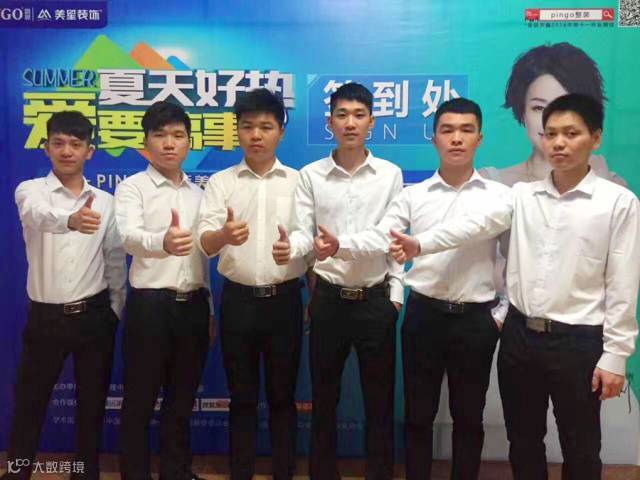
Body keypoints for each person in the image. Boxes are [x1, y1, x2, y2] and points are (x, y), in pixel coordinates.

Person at [392, 94, 640, 480]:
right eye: (551, 134)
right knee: (523, 442)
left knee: (581, 445)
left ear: (595, 138)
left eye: (571, 133)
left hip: (579, 341)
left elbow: (623, 284)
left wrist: (616, 355)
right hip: (521, 339)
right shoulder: (522, 196)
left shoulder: (618, 202)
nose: (558, 143)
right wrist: (420, 244)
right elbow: (474, 226)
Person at [323, 98, 510, 479]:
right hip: (424, 317)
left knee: (468, 418)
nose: (456, 139)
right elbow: (382, 236)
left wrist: (501, 314)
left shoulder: (501, 196)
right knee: (417, 417)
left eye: (466, 130)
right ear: (433, 137)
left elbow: (511, 257)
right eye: (447, 130)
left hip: (476, 320)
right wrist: (340, 245)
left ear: (479, 138)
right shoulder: (413, 195)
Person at [272, 82, 404, 480]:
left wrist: (394, 297)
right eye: (342, 115)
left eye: (359, 115)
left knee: (379, 404)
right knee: (323, 401)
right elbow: (303, 232)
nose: (350, 123)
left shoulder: (390, 174)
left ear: (371, 122)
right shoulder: (311, 175)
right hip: (328, 301)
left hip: (375, 301)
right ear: (329, 122)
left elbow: (389, 237)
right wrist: (291, 249)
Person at [4, 111, 126, 480]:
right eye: (58, 143)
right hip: (46, 317)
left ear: (90, 151)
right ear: (46, 148)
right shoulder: (30, 191)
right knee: (30, 401)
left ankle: (84, 472)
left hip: (95, 316)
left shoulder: (106, 202)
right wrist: (70, 220)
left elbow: (114, 259)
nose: (67, 151)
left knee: (92, 405)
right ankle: (18, 471)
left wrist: (115, 310)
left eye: (75, 143)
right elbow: (37, 215)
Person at [197, 88, 307, 480]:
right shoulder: (221, 182)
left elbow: (310, 242)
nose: (256, 135)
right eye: (247, 127)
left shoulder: (299, 182)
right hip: (238, 303)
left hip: (285, 301)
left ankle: (284, 472)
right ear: (237, 131)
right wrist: (223, 235)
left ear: (281, 131)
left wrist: (298, 257)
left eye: (265, 126)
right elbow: (205, 244)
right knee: (241, 398)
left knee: (282, 398)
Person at [114, 101, 212, 480]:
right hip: (150, 306)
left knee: (181, 400)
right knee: (139, 400)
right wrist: (162, 242)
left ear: (189, 143)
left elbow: (202, 257)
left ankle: (176, 472)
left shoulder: (199, 194)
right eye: (160, 135)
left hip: (193, 307)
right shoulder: (132, 188)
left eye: (177, 135)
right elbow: (128, 237)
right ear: (146, 143)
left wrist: (210, 310)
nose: (169, 144)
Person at [480, 42, 627, 187]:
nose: (550, 121)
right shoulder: (489, 184)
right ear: (523, 111)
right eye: (539, 108)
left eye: (565, 107)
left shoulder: (613, 185)